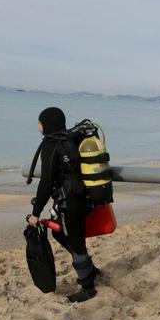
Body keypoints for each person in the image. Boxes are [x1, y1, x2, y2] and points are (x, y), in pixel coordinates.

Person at [27, 106, 99, 303]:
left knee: (77, 244)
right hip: (83, 197)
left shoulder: (51, 144)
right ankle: (90, 269)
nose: (38, 127)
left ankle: (88, 288)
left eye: (40, 123)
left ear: (48, 124)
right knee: (59, 233)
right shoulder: (71, 138)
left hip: (71, 202)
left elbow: (46, 182)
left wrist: (35, 213)